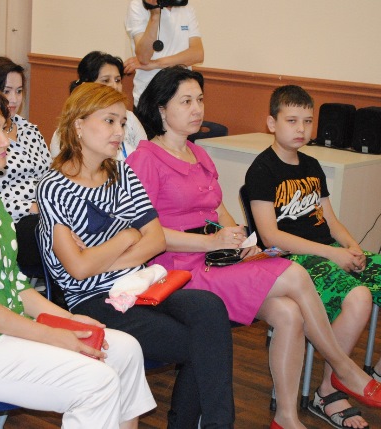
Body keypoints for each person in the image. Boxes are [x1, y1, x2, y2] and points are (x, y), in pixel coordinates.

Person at [126, 66, 381, 429]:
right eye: (186, 101)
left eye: (200, 99)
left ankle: (286, 417)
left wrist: (242, 242)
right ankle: (343, 368)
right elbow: (143, 234)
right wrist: (211, 241)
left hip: (215, 257)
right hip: (177, 268)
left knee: (289, 313)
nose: (197, 108)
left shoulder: (199, 155)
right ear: (161, 108)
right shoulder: (145, 158)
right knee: (295, 273)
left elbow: (219, 211)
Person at [0, 84, 156, 429]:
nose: (6, 141)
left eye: (4, 130)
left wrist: (69, 320)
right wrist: (53, 335)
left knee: (125, 350)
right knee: (95, 381)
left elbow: (16, 285)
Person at [37, 82, 234, 428]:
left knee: (209, 308)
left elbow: (155, 240)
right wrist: (127, 236)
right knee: (202, 343)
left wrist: (100, 257)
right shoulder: (53, 187)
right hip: (93, 300)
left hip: (139, 285)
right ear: (79, 125)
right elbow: (78, 271)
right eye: (109, 121)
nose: (119, 132)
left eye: (122, 123)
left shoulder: (122, 173)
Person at [246, 84, 381, 429]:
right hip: (292, 259)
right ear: (271, 123)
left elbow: (331, 221)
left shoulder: (312, 164)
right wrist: (332, 254)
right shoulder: (262, 170)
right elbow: (270, 236)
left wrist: (351, 247)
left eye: (307, 121)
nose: (301, 129)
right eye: (291, 120)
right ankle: (330, 390)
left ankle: (369, 375)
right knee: (359, 297)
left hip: (326, 252)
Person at [0, 56, 51, 272]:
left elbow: (50, 175)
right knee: (46, 230)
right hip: (8, 220)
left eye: (19, 91)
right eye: (6, 91)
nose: (13, 99)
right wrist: (31, 208)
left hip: (44, 212)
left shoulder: (30, 130)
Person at [49, 51, 147, 160]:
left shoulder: (130, 118)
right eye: (106, 80)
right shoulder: (64, 132)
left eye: (117, 80)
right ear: (86, 86)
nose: (114, 86)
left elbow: (145, 158)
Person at [124, 0, 203, 106]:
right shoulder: (138, 5)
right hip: (150, 97)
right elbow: (143, 57)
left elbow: (198, 54)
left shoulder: (185, 6)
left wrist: (155, 64)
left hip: (182, 98)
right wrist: (155, 15)